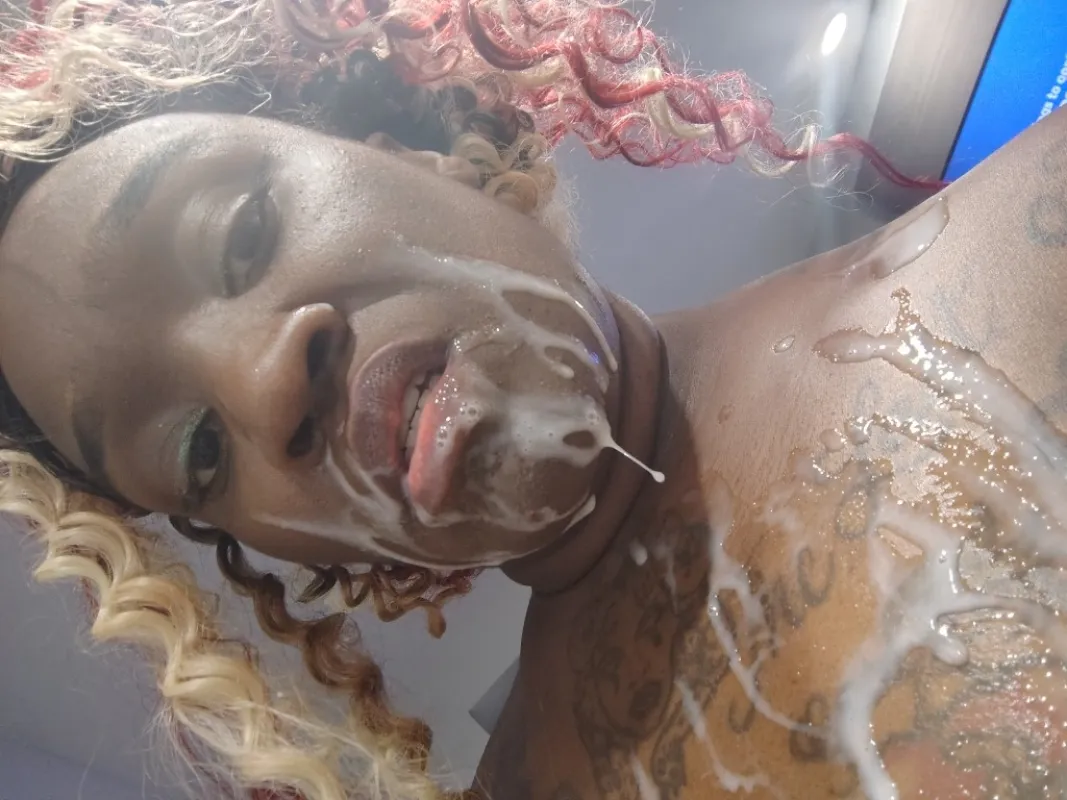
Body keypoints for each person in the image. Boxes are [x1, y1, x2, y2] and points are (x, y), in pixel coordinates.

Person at [2, 0, 1067, 798]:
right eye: (196, 449)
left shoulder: (1036, 250)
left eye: (242, 231)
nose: (262, 381)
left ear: (417, 154)